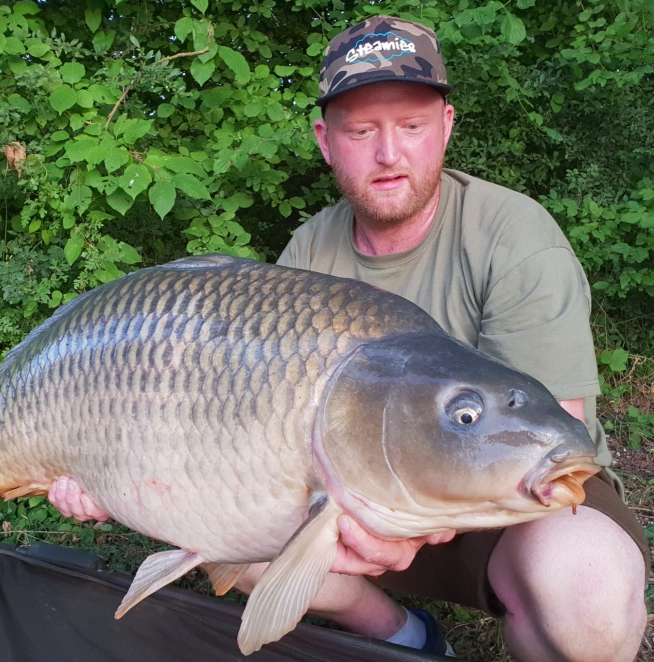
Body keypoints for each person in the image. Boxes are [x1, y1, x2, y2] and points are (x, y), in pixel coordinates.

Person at [48, 17, 648, 661]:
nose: (389, 153)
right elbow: (248, 428)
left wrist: (417, 526)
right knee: (224, 526)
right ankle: (405, 636)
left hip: (500, 502)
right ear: (326, 141)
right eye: (361, 131)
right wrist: (107, 470)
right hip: (348, 492)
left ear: (445, 126)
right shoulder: (307, 251)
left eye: (411, 127)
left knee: (588, 592)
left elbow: (558, 426)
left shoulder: (516, 238)